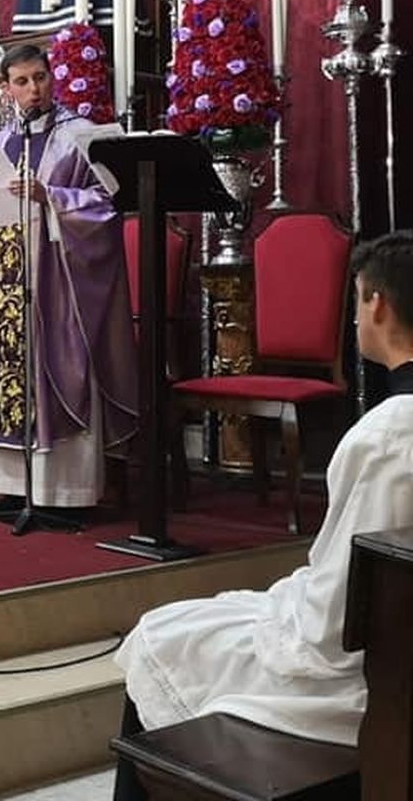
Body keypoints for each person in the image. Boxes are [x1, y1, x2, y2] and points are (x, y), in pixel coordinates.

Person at [112, 230, 413, 798]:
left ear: (377, 304)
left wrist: (284, 609)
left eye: (355, 301)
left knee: (159, 637)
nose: (354, 318)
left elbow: (335, 621)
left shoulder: (391, 433)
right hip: (387, 642)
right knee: (213, 620)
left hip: (367, 682)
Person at [0, 44, 136, 513]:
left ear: (53, 77)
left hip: (60, 282)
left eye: (40, 77)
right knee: (9, 376)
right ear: (7, 88)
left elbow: (110, 203)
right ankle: (16, 488)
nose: (33, 89)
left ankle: (64, 492)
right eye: (22, 81)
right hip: (6, 276)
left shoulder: (80, 136)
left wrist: (50, 196)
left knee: (60, 368)